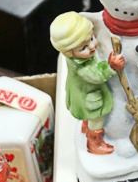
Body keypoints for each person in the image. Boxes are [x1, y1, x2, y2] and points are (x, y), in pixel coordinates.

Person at [50, 11, 120, 156]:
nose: (92, 46)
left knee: (89, 116)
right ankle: (94, 143)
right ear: (68, 52)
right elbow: (97, 76)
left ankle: (86, 126)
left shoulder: (80, 58)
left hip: (82, 92)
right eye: (83, 48)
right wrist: (112, 67)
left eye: (92, 38)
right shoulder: (82, 67)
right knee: (97, 118)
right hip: (88, 96)